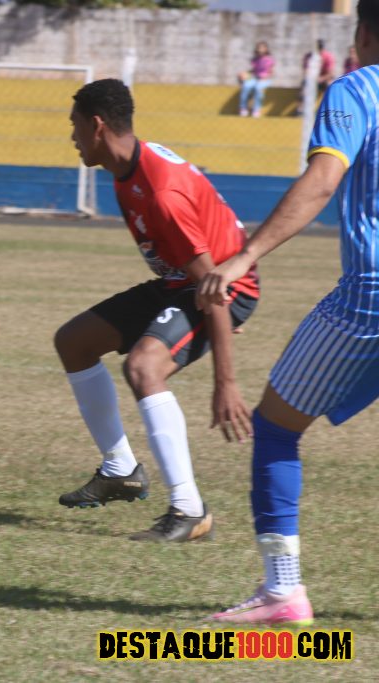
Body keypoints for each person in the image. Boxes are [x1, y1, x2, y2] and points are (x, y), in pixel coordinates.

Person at [199, 0, 379, 627]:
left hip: (371, 298)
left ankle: (283, 593)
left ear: (362, 34)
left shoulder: (356, 88)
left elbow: (324, 180)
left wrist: (244, 255)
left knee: (275, 428)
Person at [56, 78, 260, 542]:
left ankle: (190, 511)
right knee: (74, 342)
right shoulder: (129, 164)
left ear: (97, 125)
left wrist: (226, 382)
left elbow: (214, 287)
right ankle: (121, 470)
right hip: (180, 283)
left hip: (221, 289)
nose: (72, 138)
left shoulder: (161, 193)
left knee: (144, 367)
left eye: (74, 126)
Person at [295, 39, 336, 115]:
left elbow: (330, 73)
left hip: (323, 79)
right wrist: (312, 78)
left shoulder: (328, 56)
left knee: (329, 85)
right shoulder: (308, 56)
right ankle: (299, 109)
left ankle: (328, 109)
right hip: (312, 78)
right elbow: (306, 71)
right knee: (304, 86)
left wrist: (321, 78)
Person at [238, 41, 275, 118]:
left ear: (266, 49)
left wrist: (264, 78)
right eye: (258, 48)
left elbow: (271, 72)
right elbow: (254, 71)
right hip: (255, 78)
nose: (260, 49)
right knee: (246, 86)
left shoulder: (269, 59)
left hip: (265, 79)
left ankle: (256, 109)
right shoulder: (255, 59)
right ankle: (243, 108)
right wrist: (245, 74)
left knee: (258, 88)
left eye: (262, 48)